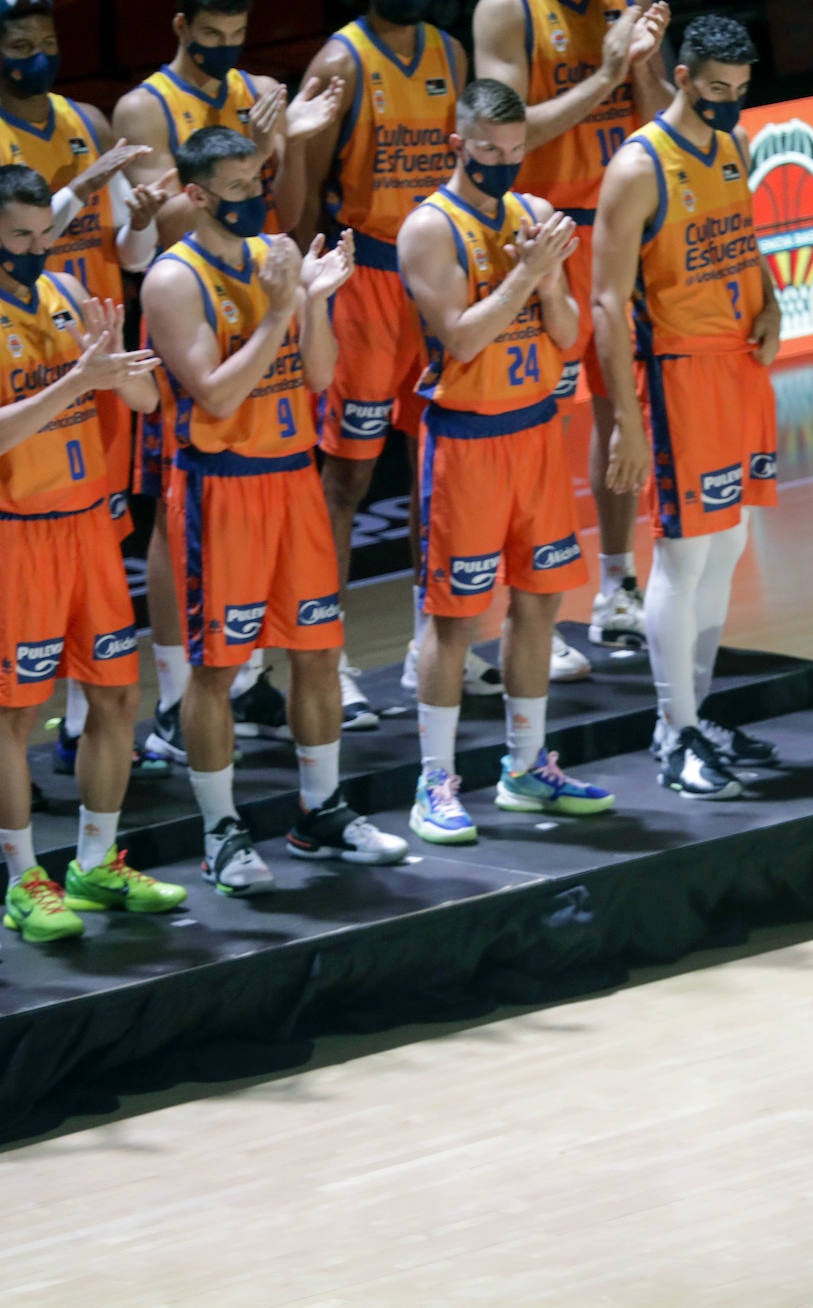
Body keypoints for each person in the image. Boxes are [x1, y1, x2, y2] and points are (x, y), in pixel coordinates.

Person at [141, 127, 406, 894]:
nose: (255, 196)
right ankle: (221, 831)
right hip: (220, 486)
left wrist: (315, 303)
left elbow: (319, 375)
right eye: (235, 186)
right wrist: (282, 303)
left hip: (293, 477)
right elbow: (217, 391)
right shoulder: (173, 280)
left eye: (259, 180)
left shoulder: (273, 259)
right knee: (218, 669)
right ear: (196, 195)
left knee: (319, 653)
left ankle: (320, 811)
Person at [113, 0, 343, 758]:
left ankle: (299, 768)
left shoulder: (256, 99)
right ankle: (180, 696)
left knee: (312, 639)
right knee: (167, 519)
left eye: (236, 37)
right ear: (179, 27)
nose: (224, 50)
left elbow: (284, 210)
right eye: (210, 36)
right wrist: (284, 307)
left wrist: (290, 146)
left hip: (281, 429)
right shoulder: (148, 108)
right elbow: (173, 230)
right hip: (196, 348)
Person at [0, 164, 184, 945]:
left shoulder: (66, 294)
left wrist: (118, 367)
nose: (34, 248)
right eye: (18, 235)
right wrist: (80, 378)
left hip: (89, 521)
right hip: (12, 532)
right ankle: (25, 881)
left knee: (118, 698)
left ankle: (95, 864)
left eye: (45, 234)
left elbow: (145, 401)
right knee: (16, 708)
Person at [398, 78, 613, 844]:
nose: (501, 164)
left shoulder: (532, 216)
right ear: (458, 142)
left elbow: (567, 336)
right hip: (466, 442)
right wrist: (525, 274)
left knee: (540, 604)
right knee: (455, 619)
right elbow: (460, 338)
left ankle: (526, 768)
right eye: (487, 150)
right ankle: (434, 783)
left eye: (514, 152)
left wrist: (548, 276)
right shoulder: (429, 228)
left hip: (535, 433)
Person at [0, 0, 171, 791]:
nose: (38, 55)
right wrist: (70, 193)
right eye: (22, 46)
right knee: (11, 578)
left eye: (48, 42)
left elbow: (124, 246)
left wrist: (144, 224)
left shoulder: (85, 117)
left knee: (103, 526)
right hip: (16, 352)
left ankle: (86, 725)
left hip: (89, 343)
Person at [592, 15, 780, 800]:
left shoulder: (732, 148)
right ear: (681, 77)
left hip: (737, 366)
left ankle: (693, 714)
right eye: (715, 90)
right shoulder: (639, 168)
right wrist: (628, 424)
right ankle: (674, 734)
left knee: (730, 547)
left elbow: (741, 237)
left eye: (740, 91)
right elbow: (606, 302)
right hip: (675, 379)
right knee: (683, 556)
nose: (728, 104)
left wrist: (769, 298)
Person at [295, 0, 492, 726]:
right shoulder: (340, 63)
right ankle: (328, 659)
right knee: (344, 478)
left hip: (436, 274)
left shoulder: (449, 51)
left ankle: (432, 646)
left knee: (436, 468)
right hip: (366, 284)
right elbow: (303, 197)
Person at [473, 0, 672, 660]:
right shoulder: (505, 12)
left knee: (621, 407)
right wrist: (606, 74)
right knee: (535, 427)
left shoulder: (633, 5)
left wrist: (641, 68)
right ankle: (524, 610)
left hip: (620, 227)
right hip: (540, 231)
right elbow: (507, 132)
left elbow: (667, 118)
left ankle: (618, 588)